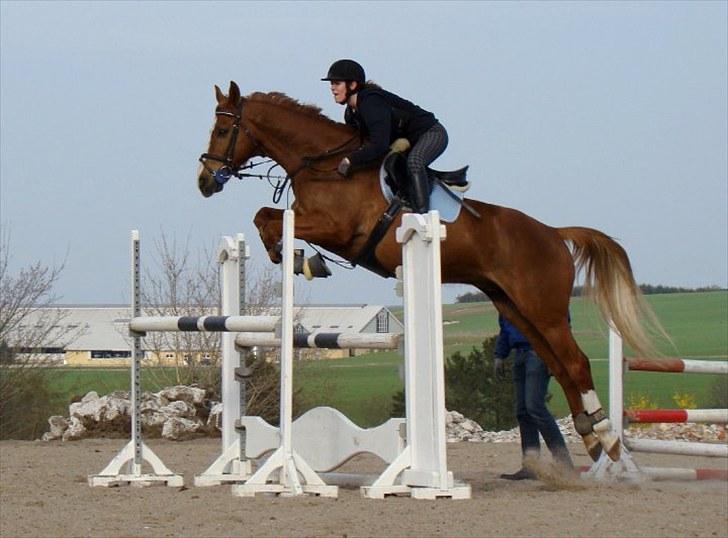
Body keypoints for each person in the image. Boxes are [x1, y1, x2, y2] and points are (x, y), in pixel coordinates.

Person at [321, 59, 448, 214]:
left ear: (352, 85)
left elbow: (379, 145)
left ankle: (422, 217)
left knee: (414, 162)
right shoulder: (351, 114)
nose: (332, 88)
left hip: (432, 133)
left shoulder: (370, 102)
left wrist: (350, 159)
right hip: (407, 141)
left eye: (336, 83)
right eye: (331, 84)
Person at [494, 314, 575, 480]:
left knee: (535, 407)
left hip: (539, 352)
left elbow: (560, 319)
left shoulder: (542, 290)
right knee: (523, 411)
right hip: (520, 354)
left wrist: (555, 355)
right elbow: (505, 325)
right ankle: (531, 465)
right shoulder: (509, 295)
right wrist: (500, 354)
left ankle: (564, 462)